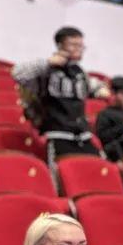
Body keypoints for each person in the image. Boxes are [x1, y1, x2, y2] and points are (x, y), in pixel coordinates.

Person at [14, 26, 110, 163]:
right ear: (60, 45)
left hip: (83, 135)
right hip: (57, 135)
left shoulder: (79, 71)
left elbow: (92, 84)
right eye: (73, 45)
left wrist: (100, 89)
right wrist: (47, 62)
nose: (78, 49)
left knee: (99, 166)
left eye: (81, 45)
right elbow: (17, 73)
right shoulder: (46, 70)